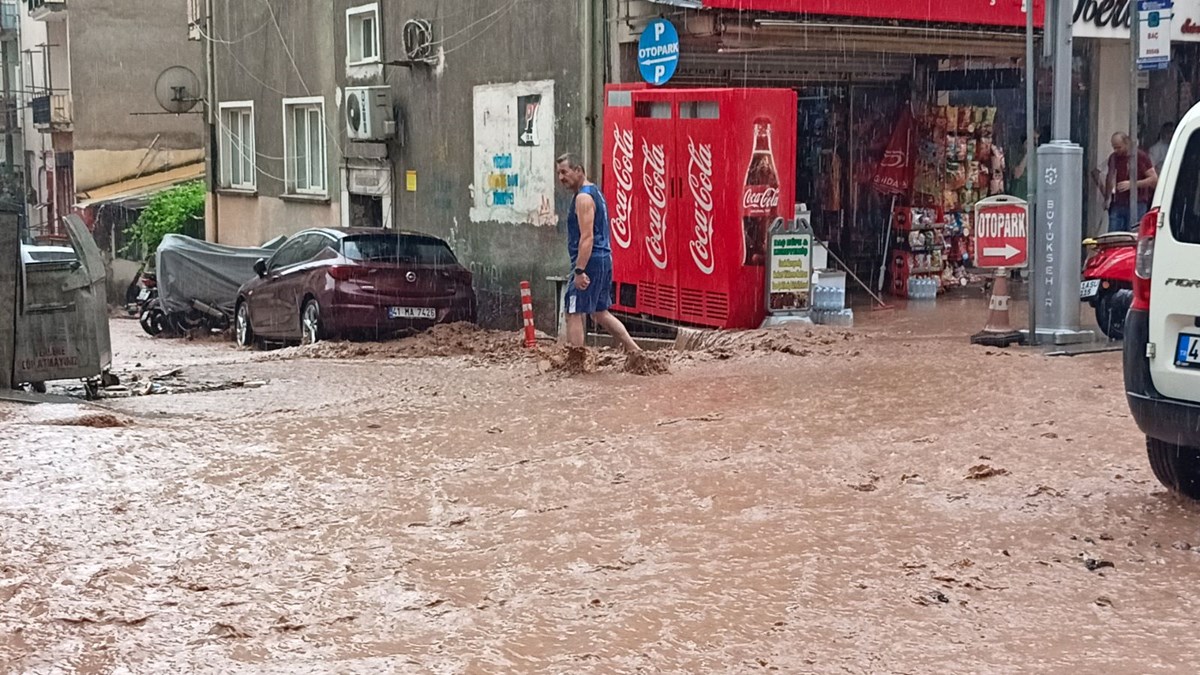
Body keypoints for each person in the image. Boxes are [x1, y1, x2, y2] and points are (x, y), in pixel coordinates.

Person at [555, 153, 642, 353]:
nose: (561, 178)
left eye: (564, 172)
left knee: (573, 310)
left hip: (590, 261)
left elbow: (587, 238)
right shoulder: (594, 191)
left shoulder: (583, 198)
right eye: (558, 173)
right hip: (603, 258)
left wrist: (579, 271)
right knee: (599, 312)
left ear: (578, 170)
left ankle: (577, 362)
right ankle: (635, 351)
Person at [1105, 132, 1158, 232]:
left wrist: (1132, 184)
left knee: (1133, 235)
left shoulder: (1140, 156)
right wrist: (1107, 197)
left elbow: (1154, 179)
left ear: (1127, 143)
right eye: (1114, 147)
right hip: (1118, 203)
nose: (1116, 151)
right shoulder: (1113, 157)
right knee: (1114, 236)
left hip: (1138, 202)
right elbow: (1109, 176)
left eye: (1118, 147)